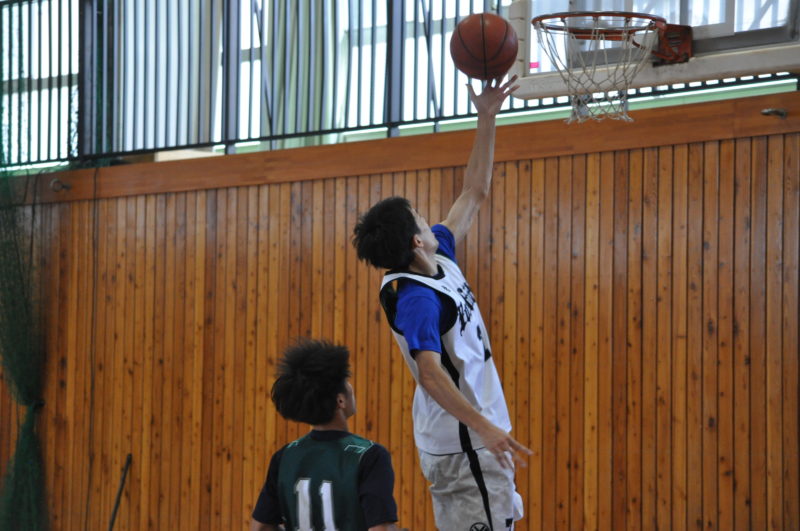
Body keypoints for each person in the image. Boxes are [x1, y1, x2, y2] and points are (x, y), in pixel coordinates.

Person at [352, 75, 531, 531]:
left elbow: (474, 192)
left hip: (473, 437)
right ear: (417, 241)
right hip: (465, 443)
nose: (428, 219)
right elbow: (430, 373)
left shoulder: (438, 256)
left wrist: (486, 117)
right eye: (419, 217)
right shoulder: (417, 301)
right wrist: (484, 428)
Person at [250, 339, 401, 531]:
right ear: (340, 400)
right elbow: (380, 528)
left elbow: (260, 527)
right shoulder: (370, 455)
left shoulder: (284, 456)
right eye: (346, 382)